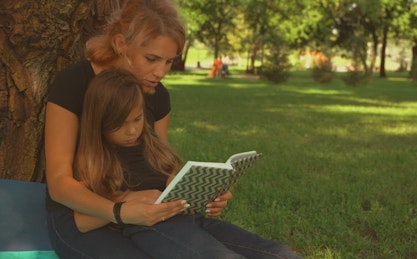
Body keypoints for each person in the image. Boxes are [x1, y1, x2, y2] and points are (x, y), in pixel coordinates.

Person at [44, 0, 301, 258]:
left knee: (281, 255)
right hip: (89, 216)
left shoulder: (157, 95)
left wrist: (198, 191)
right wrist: (119, 210)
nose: (160, 72)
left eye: (169, 61)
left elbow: (159, 162)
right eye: (152, 59)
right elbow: (59, 182)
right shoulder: (75, 83)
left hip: (156, 210)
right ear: (121, 44)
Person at [76, 68, 301, 258]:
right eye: (120, 124)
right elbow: (83, 221)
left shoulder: (149, 144)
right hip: (151, 227)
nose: (133, 130)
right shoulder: (96, 156)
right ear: (100, 121)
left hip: (190, 219)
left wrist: (193, 188)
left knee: (279, 253)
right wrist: (124, 200)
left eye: (137, 119)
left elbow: (166, 177)